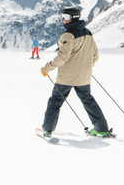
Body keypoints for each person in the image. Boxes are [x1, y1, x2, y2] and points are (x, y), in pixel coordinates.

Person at [40, 7, 111, 138]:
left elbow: (62, 58)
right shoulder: (88, 33)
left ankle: (47, 129)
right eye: (63, 17)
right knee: (88, 100)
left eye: (66, 18)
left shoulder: (68, 35)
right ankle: (102, 129)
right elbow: (94, 55)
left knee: (55, 101)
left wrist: (47, 68)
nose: (63, 20)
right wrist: (84, 67)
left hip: (66, 78)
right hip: (84, 76)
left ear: (73, 19)